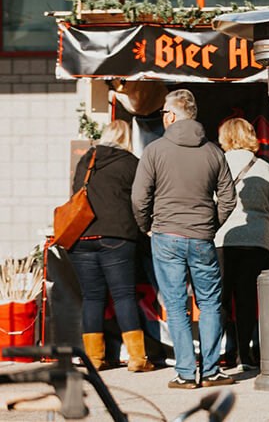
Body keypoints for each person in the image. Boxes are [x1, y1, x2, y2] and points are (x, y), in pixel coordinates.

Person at [131, 89, 238, 388]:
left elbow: (139, 198)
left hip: (166, 235)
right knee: (210, 303)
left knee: (177, 305)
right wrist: (210, 225)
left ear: (170, 116)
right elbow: (228, 198)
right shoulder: (213, 151)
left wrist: (147, 226)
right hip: (202, 236)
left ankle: (187, 374)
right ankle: (212, 371)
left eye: (164, 112)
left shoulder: (154, 150)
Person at [68, 119, 154, 373]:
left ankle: (94, 358)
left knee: (92, 297)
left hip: (82, 236)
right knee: (123, 295)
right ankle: (137, 358)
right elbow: (142, 199)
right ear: (126, 139)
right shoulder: (130, 163)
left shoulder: (87, 160)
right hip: (117, 236)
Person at [214, 118, 269, 371]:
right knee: (247, 299)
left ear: (225, 137)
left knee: (219, 299)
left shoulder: (216, 165)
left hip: (222, 239)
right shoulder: (267, 169)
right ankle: (245, 355)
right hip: (256, 241)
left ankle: (214, 356)